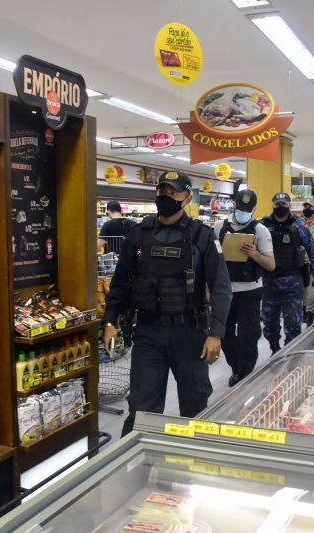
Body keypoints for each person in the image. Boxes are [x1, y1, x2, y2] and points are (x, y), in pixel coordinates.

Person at [102, 170, 232, 436]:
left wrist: (216, 334)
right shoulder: (138, 235)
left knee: (195, 410)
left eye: (172, 193)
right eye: (162, 192)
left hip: (190, 334)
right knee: (141, 411)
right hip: (148, 334)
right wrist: (109, 321)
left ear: (186, 198)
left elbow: (221, 288)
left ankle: (194, 469)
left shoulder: (202, 236)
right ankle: (135, 471)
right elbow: (121, 283)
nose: (166, 197)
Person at [214, 189, 275, 387]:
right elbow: (210, 260)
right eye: (240, 208)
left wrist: (254, 254)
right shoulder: (218, 227)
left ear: (254, 209)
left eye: (247, 209)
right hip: (225, 291)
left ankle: (245, 374)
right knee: (225, 336)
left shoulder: (260, 230)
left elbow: (271, 264)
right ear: (234, 205)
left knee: (249, 336)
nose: (243, 212)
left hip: (251, 290)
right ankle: (236, 367)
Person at [261, 193, 314, 353]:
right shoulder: (263, 225)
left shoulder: (299, 226)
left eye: (284, 204)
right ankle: (275, 350)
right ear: (272, 205)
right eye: (277, 204)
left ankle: (289, 357)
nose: (281, 207)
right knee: (269, 324)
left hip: (293, 282)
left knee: (294, 325)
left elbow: (312, 251)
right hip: (269, 282)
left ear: (289, 206)